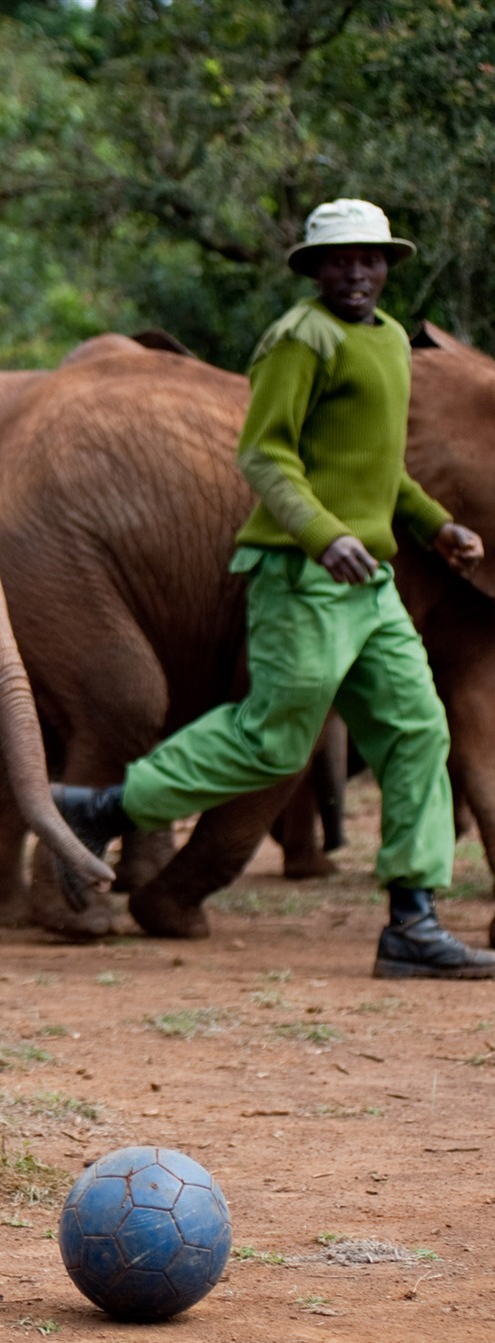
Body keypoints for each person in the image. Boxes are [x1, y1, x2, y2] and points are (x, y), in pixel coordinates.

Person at [54, 198, 495, 980]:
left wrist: (436, 527)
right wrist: (325, 537)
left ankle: (412, 922)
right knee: (272, 739)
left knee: (418, 730)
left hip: (373, 584)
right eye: (339, 260)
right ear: (314, 269)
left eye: (369, 259)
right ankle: (100, 810)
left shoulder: (391, 340)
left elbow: (377, 464)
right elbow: (264, 457)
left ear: (388, 265)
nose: (355, 272)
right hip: (303, 576)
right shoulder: (299, 340)